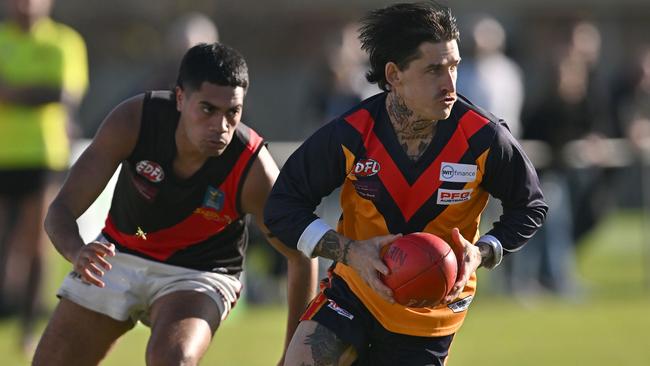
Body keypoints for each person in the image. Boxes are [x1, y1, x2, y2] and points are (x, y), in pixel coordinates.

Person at [264, 3, 548, 365]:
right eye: (433, 70)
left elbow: (531, 205)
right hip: (354, 292)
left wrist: (485, 250)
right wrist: (350, 251)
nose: (450, 83)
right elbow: (282, 205)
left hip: (432, 313)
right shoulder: (353, 133)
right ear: (394, 74)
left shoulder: (483, 137)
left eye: (454, 66)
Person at [32, 43, 316, 366]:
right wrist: (76, 252)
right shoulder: (134, 120)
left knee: (173, 359)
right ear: (180, 98)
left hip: (200, 272)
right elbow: (60, 211)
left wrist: (294, 356)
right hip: (117, 255)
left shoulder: (254, 168)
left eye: (232, 113)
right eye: (208, 109)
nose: (221, 127)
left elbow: (301, 254)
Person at [0, 0, 88, 353]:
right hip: (3, 154)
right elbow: (44, 90)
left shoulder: (64, 41)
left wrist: (12, 93)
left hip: (42, 154)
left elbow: (62, 94)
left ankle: (29, 325)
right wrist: (33, 91)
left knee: (36, 243)